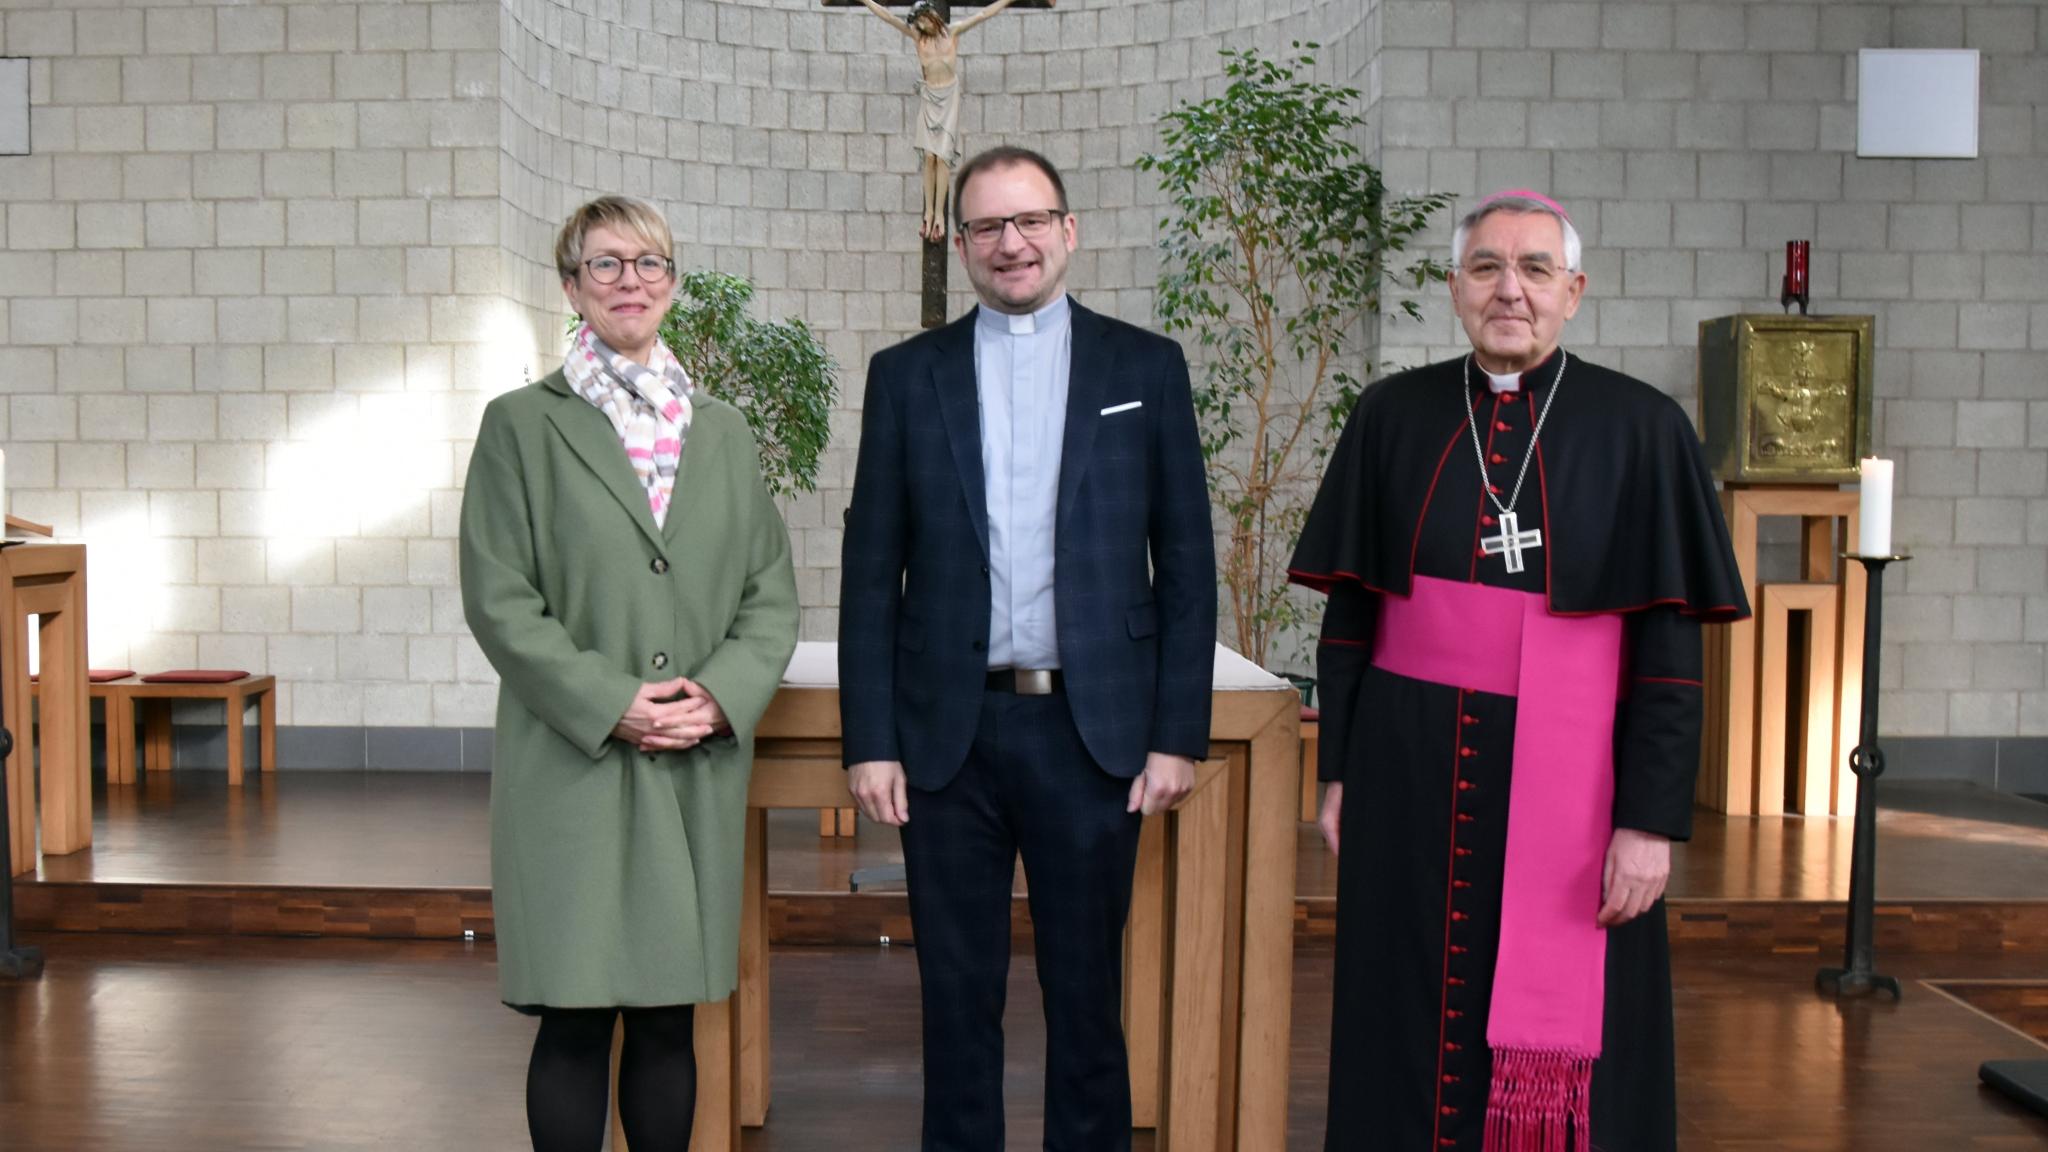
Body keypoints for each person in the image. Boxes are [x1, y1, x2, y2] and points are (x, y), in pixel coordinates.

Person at [1288, 190, 1749, 1152]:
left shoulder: (1642, 428)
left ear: (1573, 291)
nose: (1511, 290)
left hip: (1575, 792)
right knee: (1401, 1006)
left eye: (1535, 269)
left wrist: (1649, 823)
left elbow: (1669, 661)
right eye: (1488, 268)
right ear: (1455, 288)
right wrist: (1340, 770)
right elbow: (1352, 618)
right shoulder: (1392, 415)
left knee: (1585, 1038)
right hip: (1408, 772)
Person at [839, 145, 1216, 1151]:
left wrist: (1176, 733)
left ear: (1068, 230)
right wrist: (868, 741)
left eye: (1029, 221)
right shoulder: (905, 377)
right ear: (958, 244)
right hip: (944, 739)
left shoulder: (1145, 368)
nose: (1010, 243)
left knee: (1086, 998)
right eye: (987, 227)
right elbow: (872, 570)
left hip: (1092, 735)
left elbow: (1184, 563)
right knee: (955, 999)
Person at [459, 194, 799, 1152]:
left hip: (693, 758)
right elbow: (499, 598)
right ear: (571, 288)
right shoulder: (521, 427)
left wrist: (717, 697)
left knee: (665, 1013)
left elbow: (769, 592)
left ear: (674, 285)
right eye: (604, 265)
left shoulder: (724, 432)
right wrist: (612, 704)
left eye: (648, 264)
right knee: (575, 1013)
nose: (629, 282)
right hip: (572, 761)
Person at [853, 0, 1037, 241]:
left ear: (931, 16)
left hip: (949, 99)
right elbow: (888, 18)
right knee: (929, 158)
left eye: (922, 20)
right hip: (929, 97)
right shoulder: (917, 37)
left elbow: (983, 14)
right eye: (917, 23)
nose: (920, 25)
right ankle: (928, 212)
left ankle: (939, 214)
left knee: (942, 158)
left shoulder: (953, 32)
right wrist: (866, 1)